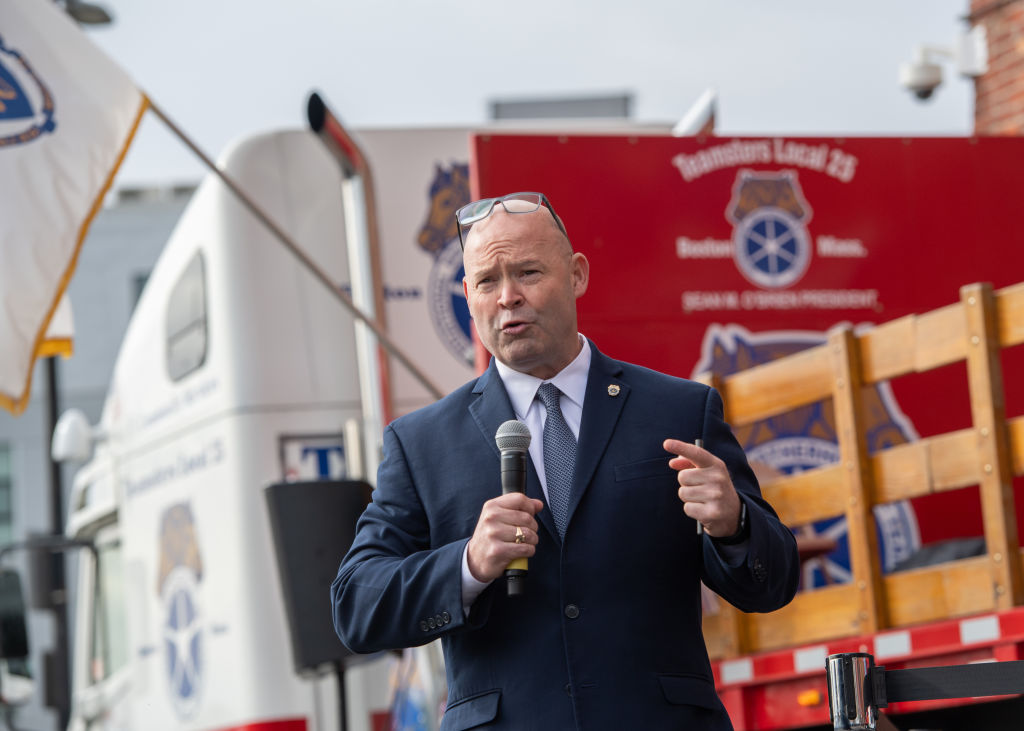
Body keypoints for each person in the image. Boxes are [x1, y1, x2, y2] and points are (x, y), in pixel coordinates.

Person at [332, 192, 799, 730]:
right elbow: (356, 607)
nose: (508, 297)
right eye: (487, 281)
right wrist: (468, 564)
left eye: (528, 272)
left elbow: (773, 582)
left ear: (576, 275)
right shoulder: (421, 443)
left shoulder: (679, 410)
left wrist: (734, 524)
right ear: (467, 294)